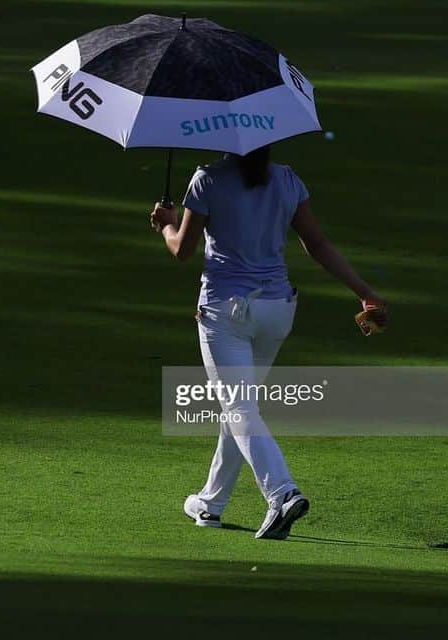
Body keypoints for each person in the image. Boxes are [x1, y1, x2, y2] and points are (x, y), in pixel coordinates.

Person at [149, 146, 387, 540]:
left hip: (225, 312)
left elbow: (183, 251)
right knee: (240, 407)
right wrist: (364, 292)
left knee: (239, 406)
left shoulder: (206, 178)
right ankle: (210, 504)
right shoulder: (287, 178)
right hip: (277, 310)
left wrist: (167, 225)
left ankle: (282, 494)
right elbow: (318, 244)